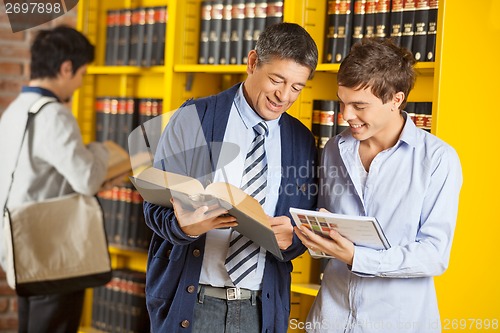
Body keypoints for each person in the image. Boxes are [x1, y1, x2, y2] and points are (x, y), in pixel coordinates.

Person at [142, 23, 318, 332]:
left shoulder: (301, 140)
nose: (284, 95)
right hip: (192, 305)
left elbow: (300, 228)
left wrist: (293, 239)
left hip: (259, 309)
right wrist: (184, 226)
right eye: (277, 79)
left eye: (296, 87)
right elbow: (153, 207)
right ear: (252, 63)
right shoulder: (194, 118)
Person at [294, 38, 462, 333]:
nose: (346, 116)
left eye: (359, 105)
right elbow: (329, 223)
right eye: (342, 102)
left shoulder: (437, 159)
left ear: (396, 100)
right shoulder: (334, 148)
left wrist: (357, 258)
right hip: (330, 319)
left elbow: (434, 255)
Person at [0, 26, 109, 333]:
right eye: (82, 73)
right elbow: (87, 179)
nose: (79, 83)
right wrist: (100, 151)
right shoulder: (54, 115)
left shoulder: (15, 111)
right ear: (66, 68)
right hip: (52, 252)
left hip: (22, 250)